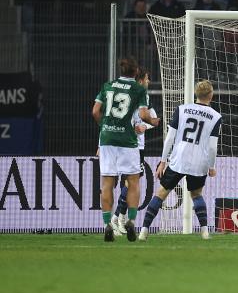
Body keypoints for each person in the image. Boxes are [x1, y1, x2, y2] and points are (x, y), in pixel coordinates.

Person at [138, 80, 220, 241]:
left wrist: (163, 161)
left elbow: (170, 138)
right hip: (199, 162)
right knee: (196, 195)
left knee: (160, 194)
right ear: (211, 95)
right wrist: (211, 166)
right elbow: (212, 147)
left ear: (196, 94)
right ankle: (204, 231)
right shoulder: (216, 117)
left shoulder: (181, 109)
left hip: (178, 160)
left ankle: (144, 231)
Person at [91, 56, 160, 242]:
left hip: (107, 139)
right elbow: (144, 115)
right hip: (128, 142)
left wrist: (104, 129)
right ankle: (130, 220)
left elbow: (95, 112)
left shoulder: (107, 86)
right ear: (136, 73)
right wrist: (152, 121)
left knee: (107, 183)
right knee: (133, 182)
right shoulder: (138, 91)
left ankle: (107, 223)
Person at [110, 69, 156, 236]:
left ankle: (118, 218)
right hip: (131, 145)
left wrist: (146, 125)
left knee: (130, 182)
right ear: (141, 80)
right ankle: (117, 218)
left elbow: (153, 118)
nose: (149, 81)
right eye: (147, 78)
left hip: (136, 145)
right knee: (131, 182)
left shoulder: (144, 97)